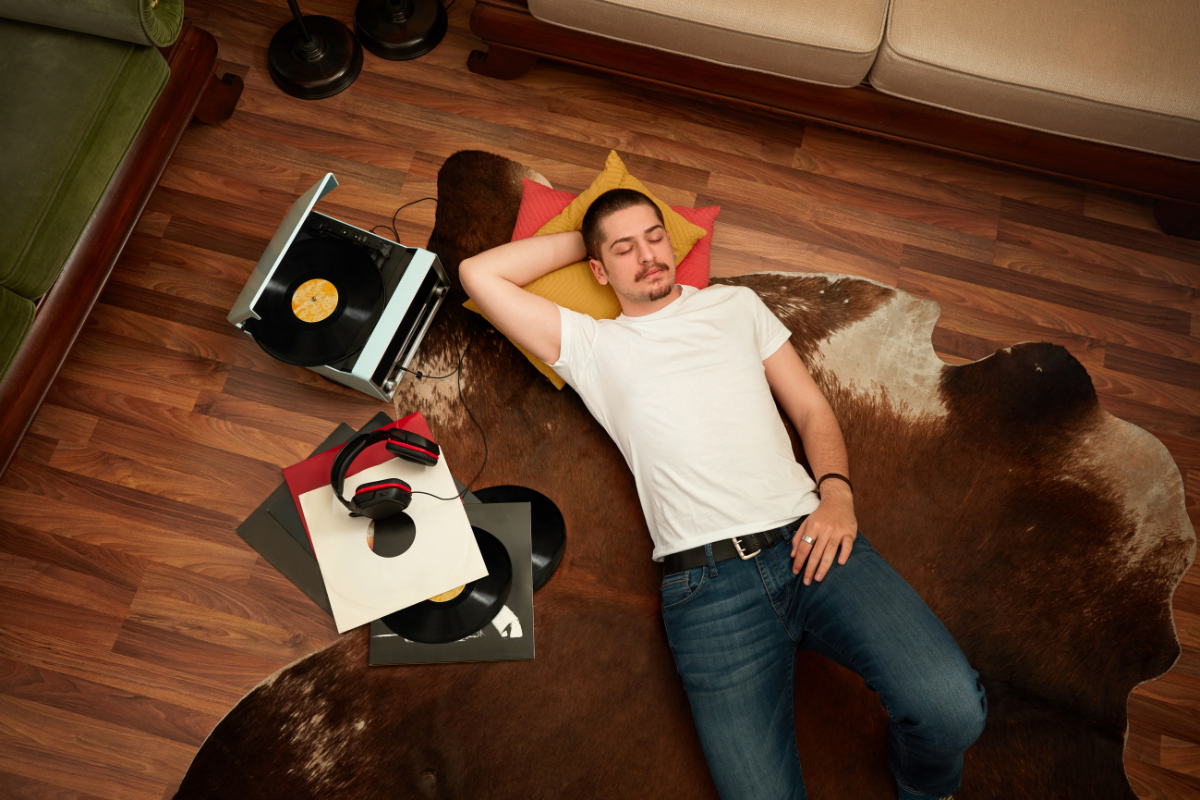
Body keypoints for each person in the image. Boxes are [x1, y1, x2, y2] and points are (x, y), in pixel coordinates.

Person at [459, 188, 986, 800]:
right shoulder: (590, 345)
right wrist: (588, 232)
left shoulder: (736, 306)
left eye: (655, 236)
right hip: (707, 592)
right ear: (598, 271)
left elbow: (811, 408)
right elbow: (479, 274)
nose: (648, 255)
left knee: (952, 711)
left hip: (807, 540)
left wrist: (838, 497)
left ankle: (924, 788)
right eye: (624, 250)